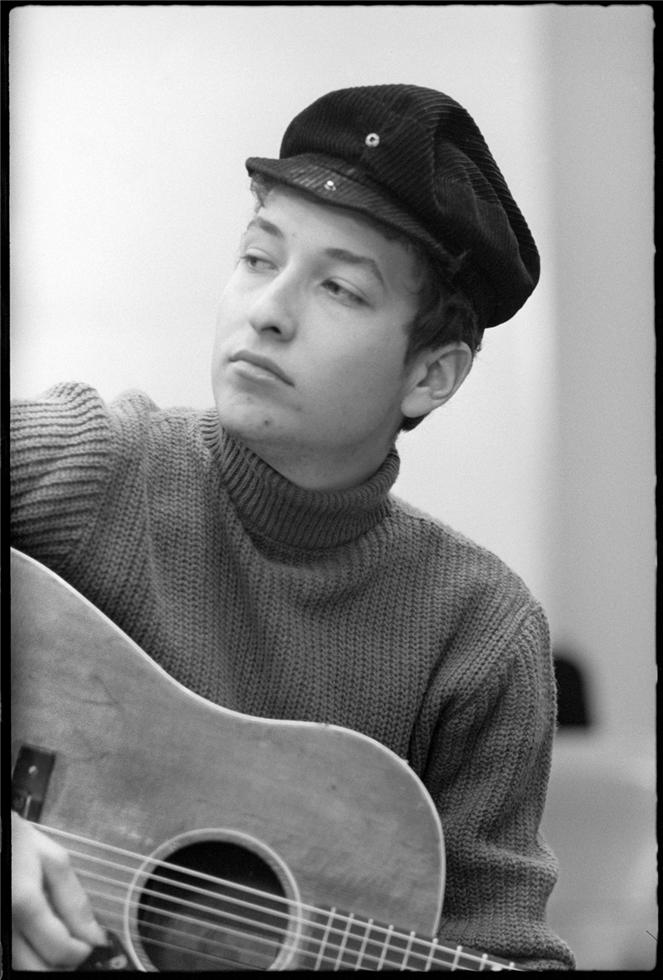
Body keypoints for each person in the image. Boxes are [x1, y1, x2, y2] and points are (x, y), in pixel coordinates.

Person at [10, 83, 575, 970]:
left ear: (431, 374)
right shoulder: (97, 468)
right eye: (256, 256)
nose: (267, 309)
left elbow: (502, 945)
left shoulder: (480, 636)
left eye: (340, 288)